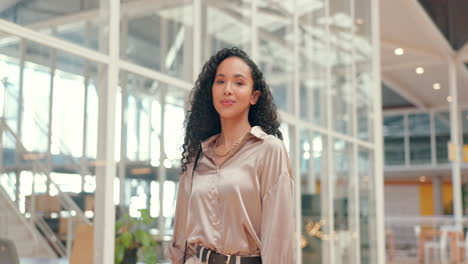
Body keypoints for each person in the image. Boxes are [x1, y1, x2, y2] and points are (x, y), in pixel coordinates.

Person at [165, 47, 296, 264]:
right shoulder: (197, 157)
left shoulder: (269, 150)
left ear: (254, 96)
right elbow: (181, 238)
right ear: (212, 91)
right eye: (220, 81)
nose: (227, 89)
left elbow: (279, 239)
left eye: (239, 82)